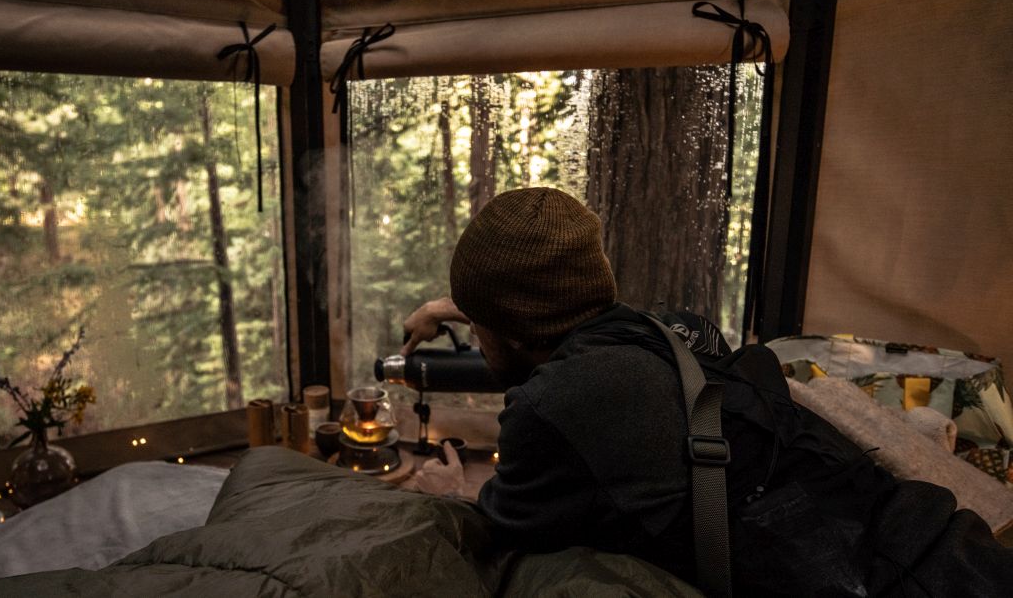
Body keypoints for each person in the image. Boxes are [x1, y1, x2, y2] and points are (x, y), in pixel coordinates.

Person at [401, 187, 1013, 596]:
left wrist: (454, 490)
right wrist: (451, 307)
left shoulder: (551, 407)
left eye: (479, 326)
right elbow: (552, 330)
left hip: (893, 584)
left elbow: (502, 532)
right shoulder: (676, 331)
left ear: (505, 325)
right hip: (937, 538)